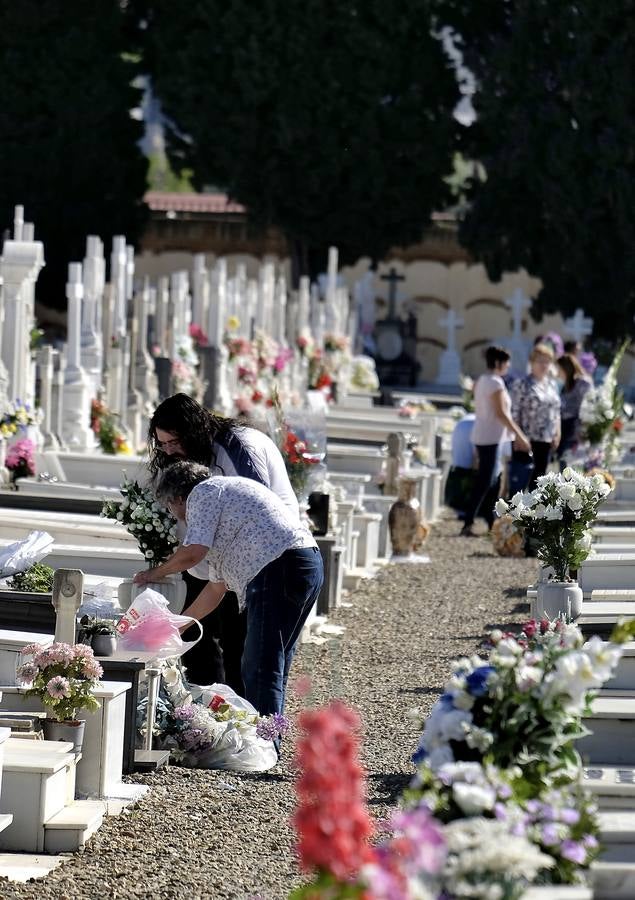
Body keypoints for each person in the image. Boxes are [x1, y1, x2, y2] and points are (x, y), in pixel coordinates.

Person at [133, 461, 323, 719]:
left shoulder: (203, 493)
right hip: (302, 563)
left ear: (178, 498)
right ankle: (269, 733)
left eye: (169, 507)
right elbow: (215, 589)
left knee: (259, 666)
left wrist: (152, 574)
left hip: (276, 567)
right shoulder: (224, 500)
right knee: (273, 663)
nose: (176, 515)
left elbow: (192, 554)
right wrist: (176, 627)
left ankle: (264, 745)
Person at [147, 393, 301, 693]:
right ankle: (206, 704)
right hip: (230, 555)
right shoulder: (191, 456)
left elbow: (255, 503)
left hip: (264, 556)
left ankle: (242, 715)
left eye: (173, 442)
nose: (168, 451)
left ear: (191, 431)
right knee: (200, 631)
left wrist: (161, 570)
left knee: (241, 645)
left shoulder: (236, 446)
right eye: (162, 444)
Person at [460, 346, 530, 537]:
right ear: (499, 363)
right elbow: (501, 413)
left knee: (492, 479)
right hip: (490, 436)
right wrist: (519, 435)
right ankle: (469, 521)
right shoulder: (496, 383)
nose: (508, 366)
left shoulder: (483, 380)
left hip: (485, 434)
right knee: (486, 480)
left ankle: (491, 521)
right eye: (506, 362)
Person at [510, 343, 562, 490]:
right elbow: (514, 412)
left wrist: (557, 433)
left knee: (539, 485)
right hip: (526, 440)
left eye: (547, 361)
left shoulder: (552, 385)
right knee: (520, 485)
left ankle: (535, 513)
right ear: (531, 363)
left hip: (546, 440)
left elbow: (556, 411)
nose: (544, 365)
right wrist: (518, 437)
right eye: (540, 361)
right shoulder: (522, 384)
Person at [556, 353, 591, 461]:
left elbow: (588, 407)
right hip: (563, 428)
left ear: (565, 368)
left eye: (559, 368)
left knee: (569, 466)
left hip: (574, 431)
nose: (557, 372)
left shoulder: (582, 383)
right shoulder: (564, 385)